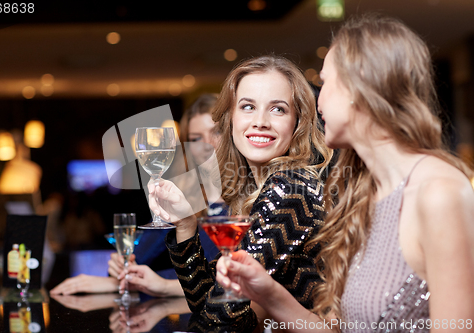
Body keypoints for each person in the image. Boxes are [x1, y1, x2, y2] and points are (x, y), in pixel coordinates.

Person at [215, 14, 474, 332]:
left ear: (360, 89)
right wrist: (269, 294)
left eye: (326, 83)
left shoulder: (438, 192)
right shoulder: (363, 195)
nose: (317, 99)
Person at [134, 54, 332, 327]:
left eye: (278, 109)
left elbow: (221, 322)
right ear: (230, 119)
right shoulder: (256, 188)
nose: (260, 121)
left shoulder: (290, 188)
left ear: (298, 122)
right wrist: (186, 226)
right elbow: (210, 303)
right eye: (248, 106)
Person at [50, 94, 226, 296]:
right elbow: (141, 256)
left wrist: (163, 285)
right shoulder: (182, 195)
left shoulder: (252, 198)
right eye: (196, 138)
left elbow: (232, 279)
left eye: (217, 132)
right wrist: (122, 268)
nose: (207, 144)